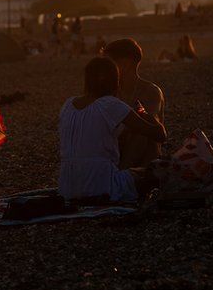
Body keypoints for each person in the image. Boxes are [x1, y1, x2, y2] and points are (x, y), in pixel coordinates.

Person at [58, 57, 166, 203]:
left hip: (67, 187)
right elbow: (159, 135)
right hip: (101, 186)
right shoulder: (110, 104)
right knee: (159, 173)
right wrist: (144, 113)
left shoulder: (68, 104)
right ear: (114, 81)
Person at [103, 39, 165, 169]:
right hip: (116, 159)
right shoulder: (111, 92)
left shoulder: (150, 91)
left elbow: (146, 131)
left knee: (140, 127)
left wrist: (122, 172)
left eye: (107, 64)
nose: (103, 69)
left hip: (144, 165)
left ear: (124, 65)